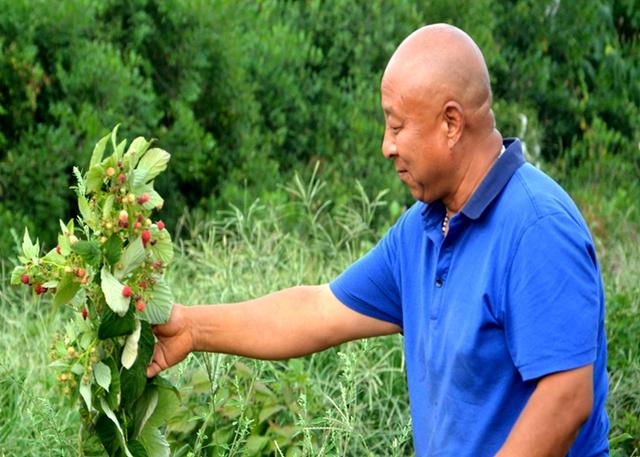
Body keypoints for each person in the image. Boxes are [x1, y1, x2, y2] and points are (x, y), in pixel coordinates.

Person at [146, 24, 609, 456]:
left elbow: (566, 397)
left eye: (397, 125)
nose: (386, 146)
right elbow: (319, 310)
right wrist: (191, 327)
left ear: (451, 123)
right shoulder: (423, 230)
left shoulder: (535, 226)